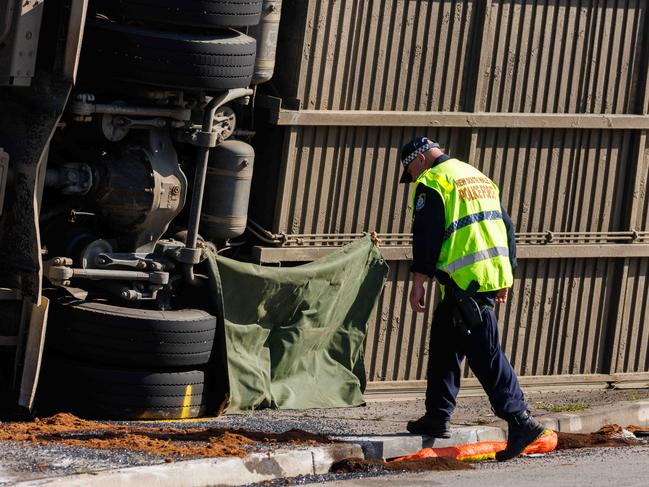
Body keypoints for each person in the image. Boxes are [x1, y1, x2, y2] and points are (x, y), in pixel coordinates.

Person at [398, 136, 545, 462]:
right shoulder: (477, 176)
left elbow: (427, 235)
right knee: (443, 342)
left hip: (465, 281)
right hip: (485, 276)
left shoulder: (433, 181)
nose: (412, 179)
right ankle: (437, 415)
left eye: (409, 171)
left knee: (484, 352)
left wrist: (418, 281)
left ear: (419, 160)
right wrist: (506, 275)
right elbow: (506, 227)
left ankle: (520, 420)